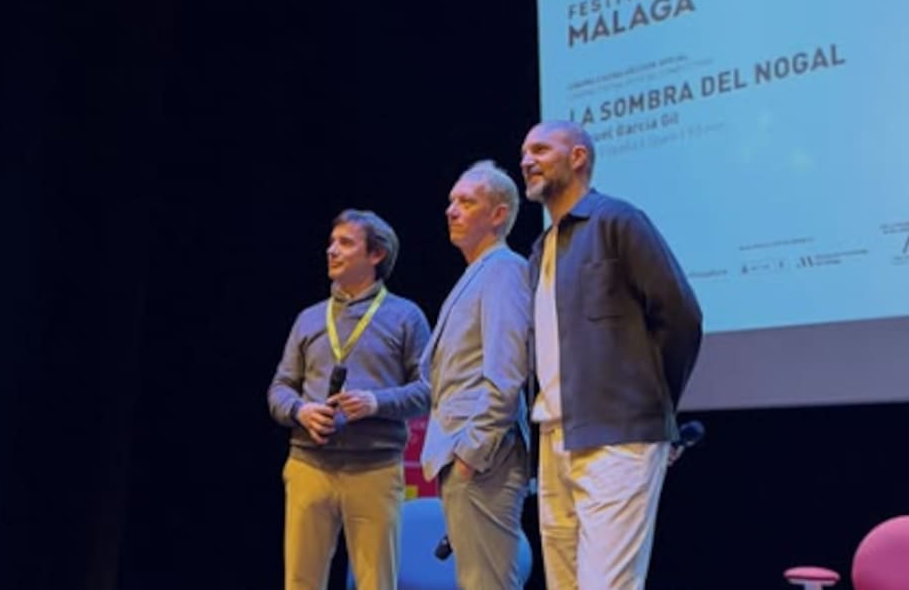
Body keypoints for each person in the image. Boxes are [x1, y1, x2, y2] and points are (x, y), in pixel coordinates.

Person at [519, 121, 703, 589]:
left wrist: (655, 406)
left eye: (541, 149)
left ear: (577, 157)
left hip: (618, 435)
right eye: (524, 152)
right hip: (554, 435)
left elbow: (681, 316)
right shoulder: (540, 248)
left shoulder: (618, 220)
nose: (527, 160)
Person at [267, 209, 431, 590]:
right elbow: (279, 388)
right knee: (300, 582)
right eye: (331, 242)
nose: (331, 250)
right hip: (309, 466)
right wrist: (300, 410)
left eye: (345, 243)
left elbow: (428, 391)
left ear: (375, 255)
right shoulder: (309, 318)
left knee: (376, 582)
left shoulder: (406, 317)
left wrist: (376, 402)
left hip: (374, 469)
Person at [419, 160, 531, 589]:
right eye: (451, 201)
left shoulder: (503, 269)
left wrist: (470, 456)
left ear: (498, 214)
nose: (451, 210)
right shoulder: (478, 273)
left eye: (466, 202)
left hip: (482, 461)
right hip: (465, 455)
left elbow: (506, 374)